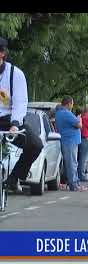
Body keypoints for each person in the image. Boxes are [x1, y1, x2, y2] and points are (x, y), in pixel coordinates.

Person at [0, 36, 43, 193]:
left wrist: (15, 124)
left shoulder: (15, 74)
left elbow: (20, 102)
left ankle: (14, 178)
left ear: (2, 54)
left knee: (35, 145)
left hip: (9, 121)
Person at [55, 96, 87, 192]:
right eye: (72, 104)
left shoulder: (60, 113)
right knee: (72, 164)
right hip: (70, 142)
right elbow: (79, 125)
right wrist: (79, 118)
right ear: (68, 104)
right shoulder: (66, 113)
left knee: (72, 163)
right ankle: (74, 185)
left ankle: (75, 183)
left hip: (68, 141)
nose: (72, 106)